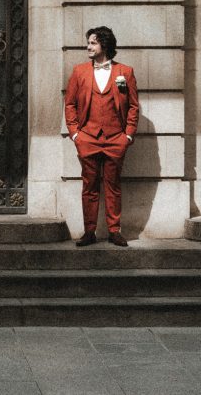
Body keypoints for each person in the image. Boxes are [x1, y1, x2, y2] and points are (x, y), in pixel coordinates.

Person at [64, 26, 140, 247]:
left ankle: (115, 231)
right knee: (89, 186)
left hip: (116, 138)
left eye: (93, 42)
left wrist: (128, 136)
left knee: (113, 185)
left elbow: (134, 106)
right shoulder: (79, 72)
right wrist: (75, 133)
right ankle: (89, 232)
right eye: (88, 42)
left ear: (104, 45)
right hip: (87, 138)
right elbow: (70, 104)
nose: (88, 46)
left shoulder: (125, 72)